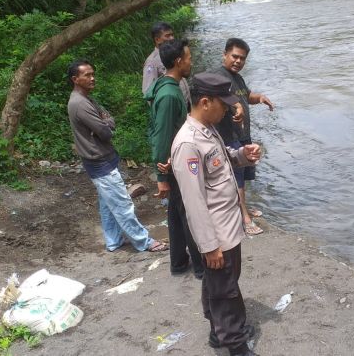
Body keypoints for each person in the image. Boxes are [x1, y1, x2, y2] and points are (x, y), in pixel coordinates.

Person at [171, 72, 262, 356]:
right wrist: (209, 246)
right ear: (206, 101)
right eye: (223, 103)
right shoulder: (188, 143)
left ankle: (216, 331)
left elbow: (221, 163)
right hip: (217, 233)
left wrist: (243, 155)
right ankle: (235, 346)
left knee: (218, 284)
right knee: (226, 291)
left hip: (227, 224)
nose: (228, 108)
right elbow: (194, 202)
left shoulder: (208, 128)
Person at [66, 59, 167, 253]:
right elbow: (106, 132)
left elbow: (108, 121)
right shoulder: (80, 104)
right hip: (99, 162)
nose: (92, 78)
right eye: (87, 75)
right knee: (122, 203)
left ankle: (113, 241)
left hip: (101, 160)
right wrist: (106, 124)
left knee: (108, 204)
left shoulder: (87, 99)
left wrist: (106, 123)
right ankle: (144, 241)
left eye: (92, 73)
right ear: (75, 79)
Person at [144, 40, 204, 278]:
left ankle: (179, 262)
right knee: (189, 212)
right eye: (188, 58)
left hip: (173, 162)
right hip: (175, 164)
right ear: (178, 62)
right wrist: (162, 176)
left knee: (177, 213)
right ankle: (201, 267)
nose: (191, 62)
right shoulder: (170, 95)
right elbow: (162, 136)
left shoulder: (165, 86)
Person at [211, 38, 274, 235]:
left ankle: (243, 205)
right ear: (224, 55)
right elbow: (214, 96)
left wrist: (260, 97)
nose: (238, 61)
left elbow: (246, 96)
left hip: (242, 134)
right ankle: (243, 217)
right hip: (228, 136)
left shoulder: (237, 77)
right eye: (234, 57)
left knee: (243, 177)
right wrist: (234, 107)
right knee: (235, 179)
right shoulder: (217, 76)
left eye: (242, 58)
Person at [142, 22, 191, 109]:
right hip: (173, 109)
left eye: (172, 35)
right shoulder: (152, 62)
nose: (172, 38)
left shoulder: (175, 53)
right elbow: (147, 91)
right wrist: (164, 109)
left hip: (184, 105)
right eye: (167, 36)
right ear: (157, 40)